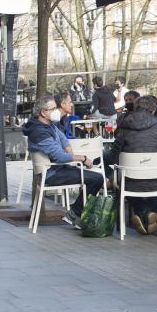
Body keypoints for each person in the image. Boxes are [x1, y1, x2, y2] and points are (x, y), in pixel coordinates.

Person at [22, 94, 104, 226]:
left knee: (92, 176)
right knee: (97, 179)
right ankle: (75, 214)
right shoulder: (39, 132)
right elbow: (59, 157)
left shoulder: (47, 125)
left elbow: (63, 139)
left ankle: (77, 214)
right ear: (43, 112)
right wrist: (81, 159)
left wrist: (72, 158)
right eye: (53, 108)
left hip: (57, 169)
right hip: (51, 174)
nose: (56, 111)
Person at [109, 95, 157, 236]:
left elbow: (114, 156)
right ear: (153, 110)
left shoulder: (124, 128)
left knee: (126, 179)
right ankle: (151, 211)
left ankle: (141, 211)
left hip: (130, 182)